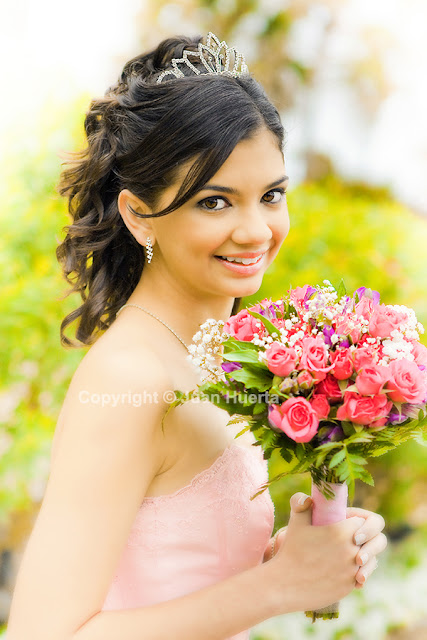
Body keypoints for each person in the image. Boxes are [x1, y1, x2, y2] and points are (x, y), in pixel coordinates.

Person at [6, 32, 387, 640]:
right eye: (215, 202)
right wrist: (278, 586)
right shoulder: (129, 377)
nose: (255, 230)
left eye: (271, 195)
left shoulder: (213, 356)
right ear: (137, 215)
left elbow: (170, 572)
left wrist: (296, 560)